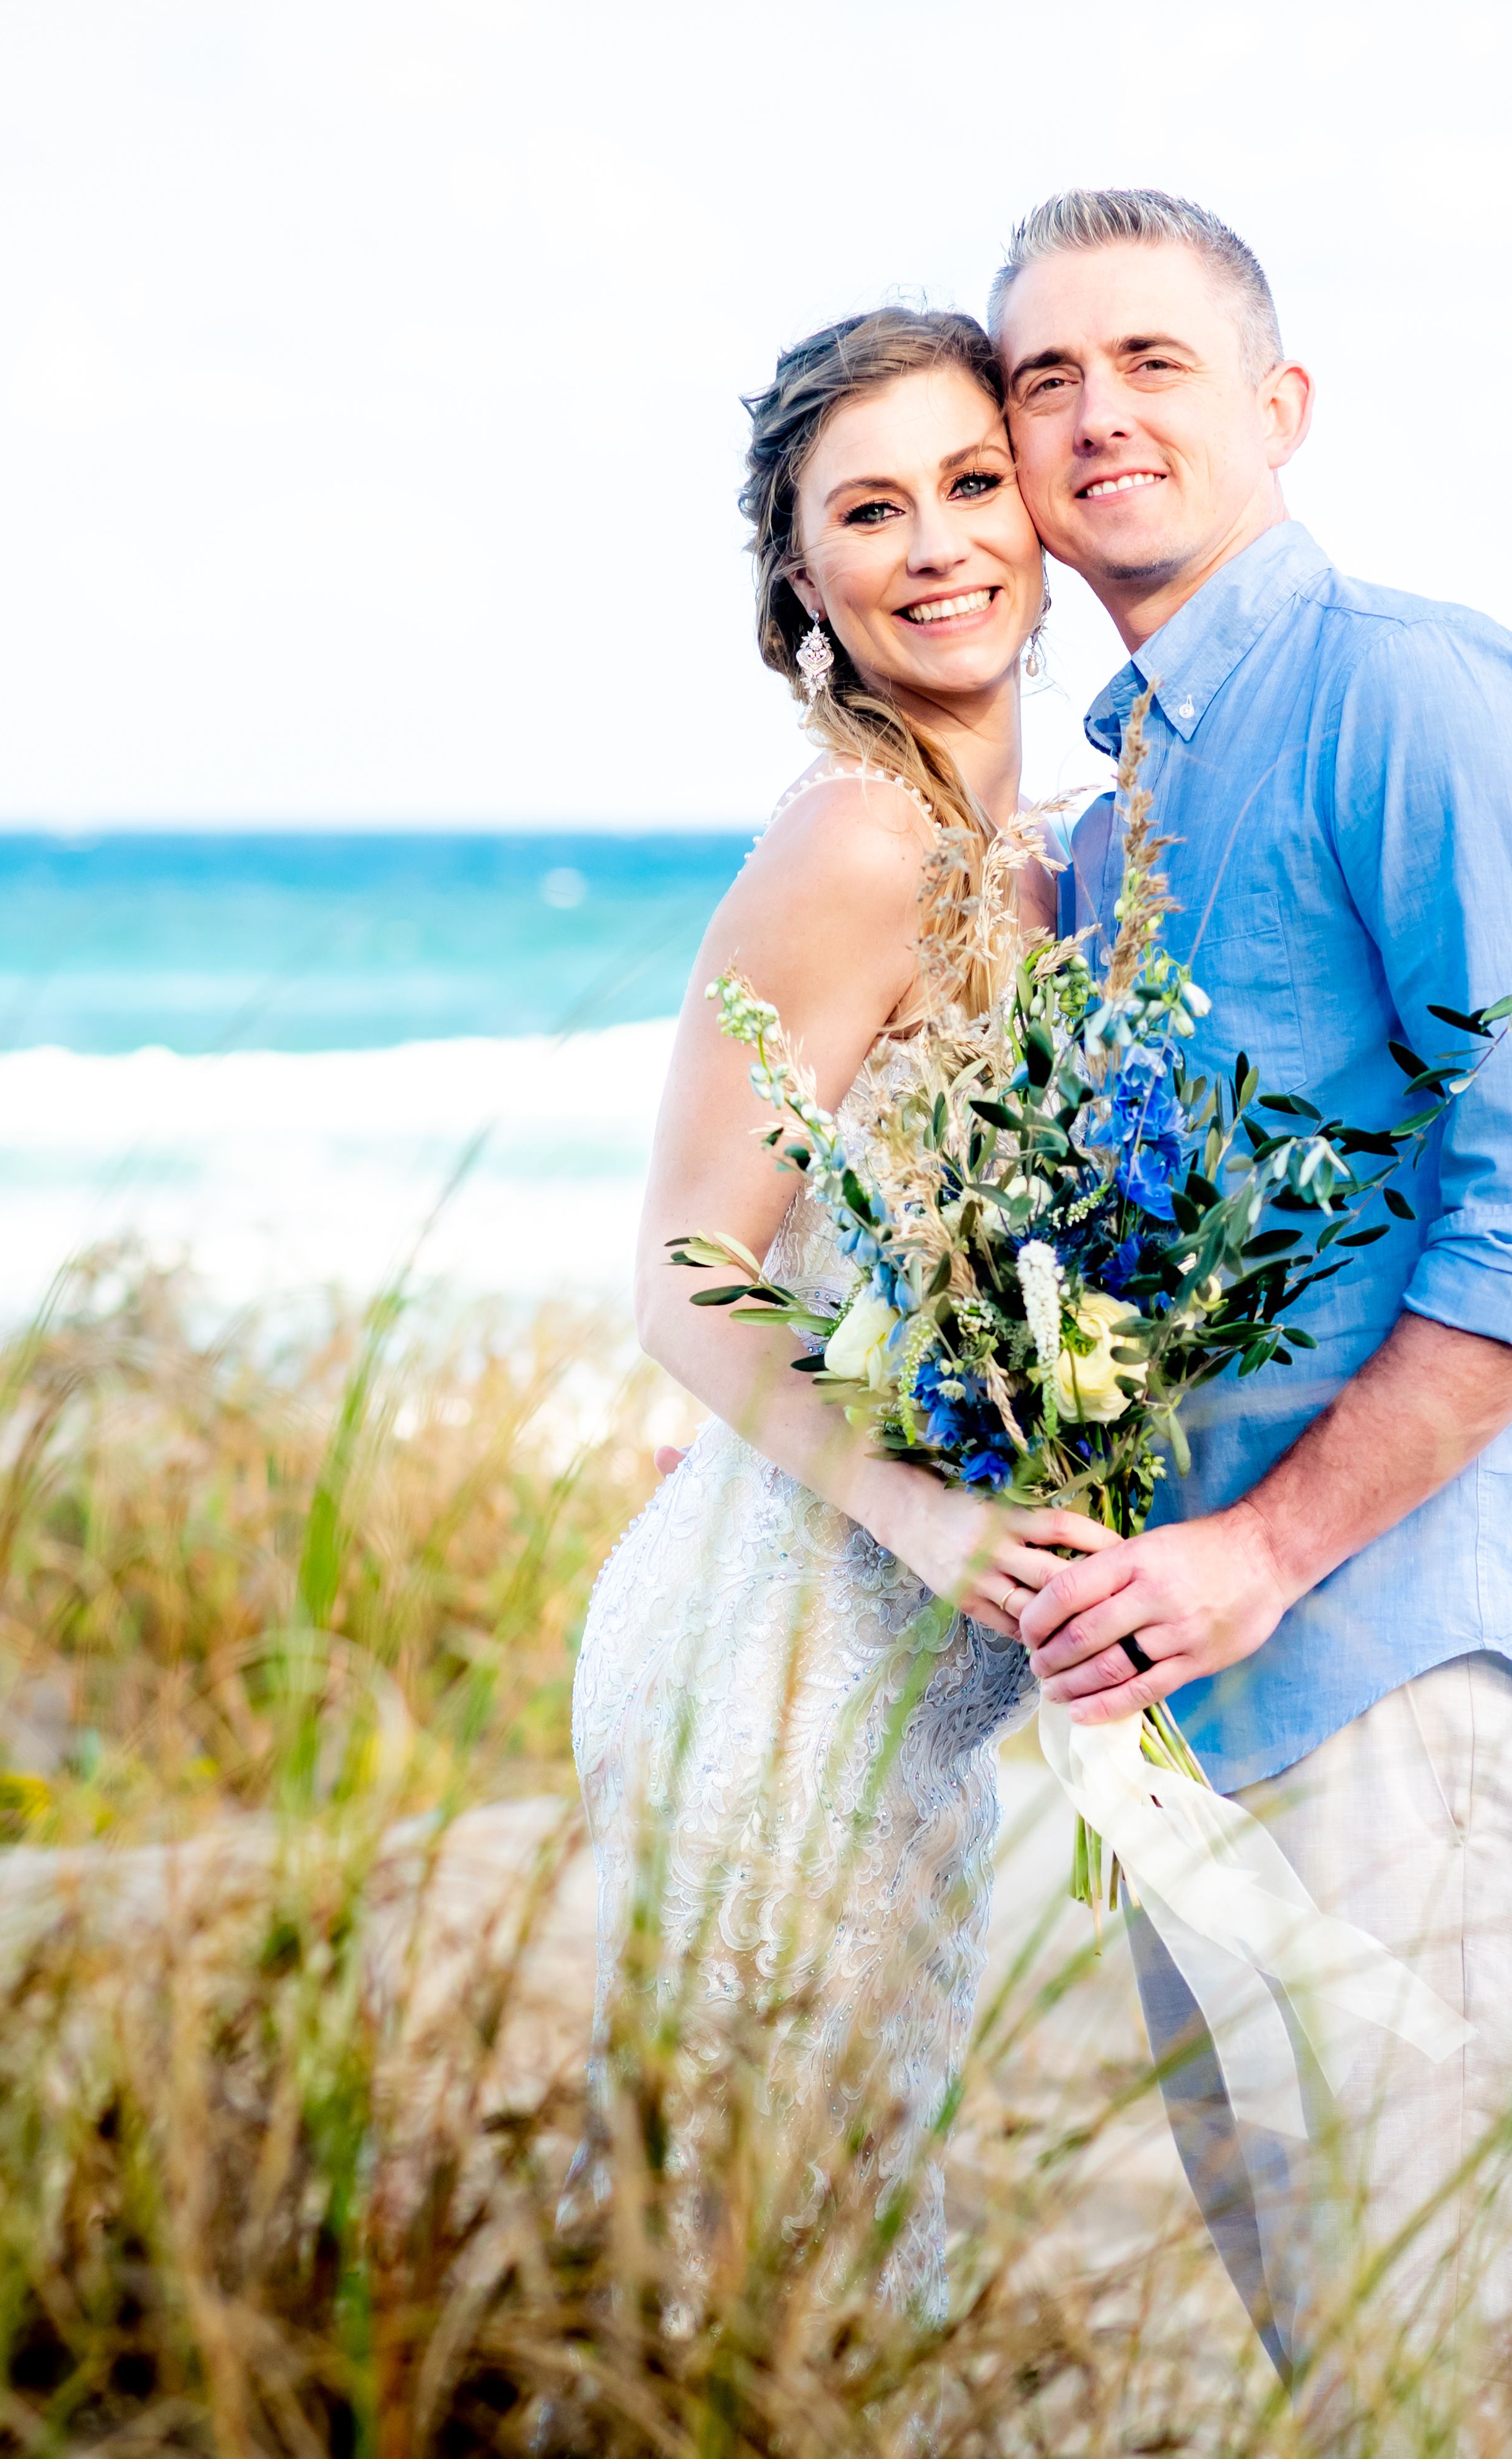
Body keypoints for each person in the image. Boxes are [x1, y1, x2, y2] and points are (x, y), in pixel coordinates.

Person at [998, 189, 1512, 2432]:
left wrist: (1266, 1552)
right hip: (1195, 1720)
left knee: (1450, 2372)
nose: (1097, 414)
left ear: (1277, 409)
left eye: (1152, 362)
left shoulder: (1409, 695)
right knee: (1345, 2373)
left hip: (1400, 1674)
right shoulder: (1106, 824)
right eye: (1044, 377)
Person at [563, 305, 1115, 2319]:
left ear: (1044, 516)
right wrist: (930, 1516)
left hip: (904, 1693)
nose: (937, 543)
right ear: (802, 579)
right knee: (757, 2258)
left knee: (836, 2229)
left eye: (972, 484)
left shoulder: (1043, 858)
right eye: (868, 512)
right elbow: (689, 1264)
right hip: (780, 1652)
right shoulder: (860, 835)